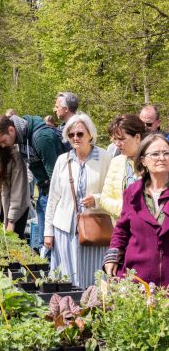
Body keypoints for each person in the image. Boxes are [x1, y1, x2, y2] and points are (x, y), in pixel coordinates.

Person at [44, 113, 112, 288]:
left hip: (95, 229)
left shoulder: (105, 158)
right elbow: (53, 198)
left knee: (95, 278)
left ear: (90, 134)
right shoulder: (63, 160)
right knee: (67, 277)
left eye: (80, 134)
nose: (75, 138)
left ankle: (94, 311)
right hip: (65, 229)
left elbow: (113, 193)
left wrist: (97, 199)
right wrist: (48, 231)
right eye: (71, 134)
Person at [0, 114, 64, 251]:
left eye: (2, 141)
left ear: (11, 130)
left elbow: (56, 179)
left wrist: (52, 210)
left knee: (51, 244)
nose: (2, 146)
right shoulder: (23, 139)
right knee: (43, 244)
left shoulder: (41, 138)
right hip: (43, 193)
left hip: (54, 198)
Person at [103, 134, 169, 286]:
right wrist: (113, 255)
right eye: (155, 154)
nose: (162, 158)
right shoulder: (132, 193)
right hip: (137, 279)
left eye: (166, 153)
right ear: (143, 160)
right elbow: (122, 229)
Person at [100, 115, 145, 222]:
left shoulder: (154, 162)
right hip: (122, 231)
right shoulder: (116, 162)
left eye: (121, 139)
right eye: (115, 139)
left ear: (137, 137)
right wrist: (127, 209)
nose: (117, 144)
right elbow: (104, 200)